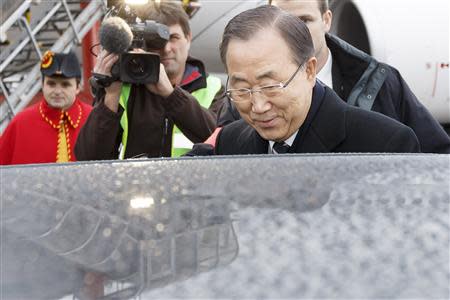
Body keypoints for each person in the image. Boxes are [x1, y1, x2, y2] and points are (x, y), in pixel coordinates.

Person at [217, 0, 450, 154]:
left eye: (272, 86)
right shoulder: (230, 142)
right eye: (242, 89)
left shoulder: (387, 141)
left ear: (309, 71)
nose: (258, 106)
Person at [75, 1, 225, 160]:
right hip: (138, 184)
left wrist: (171, 95)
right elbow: (88, 156)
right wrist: (111, 95)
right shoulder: (125, 89)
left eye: (173, 38)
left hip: (196, 184)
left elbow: (222, 142)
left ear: (188, 38)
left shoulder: (213, 88)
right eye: (156, 42)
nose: (166, 49)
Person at [0, 51, 92, 165]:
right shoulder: (20, 123)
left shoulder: (93, 119)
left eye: (65, 85)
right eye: (51, 84)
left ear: (78, 87)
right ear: (42, 85)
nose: (57, 91)